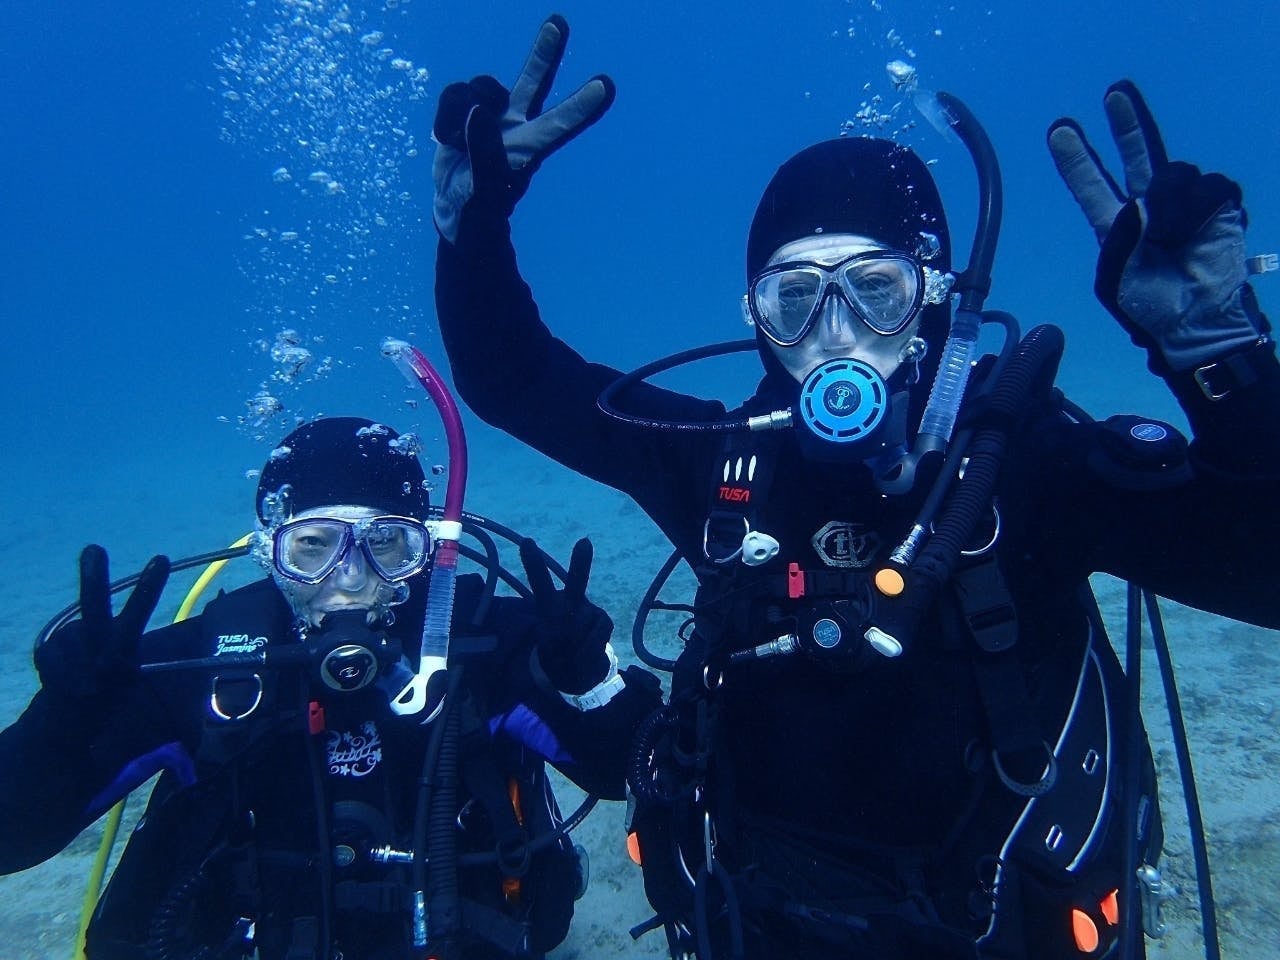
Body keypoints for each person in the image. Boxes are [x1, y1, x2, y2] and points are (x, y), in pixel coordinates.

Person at [429, 14, 1280, 960]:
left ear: (937, 300)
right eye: (795, 299)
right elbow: (513, 378)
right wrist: (474, 235)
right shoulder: (720, 466)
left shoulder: (1027, 466)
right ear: (758, 320)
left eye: (875, 290)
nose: (835, 335)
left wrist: (1218, 355)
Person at [0, 415, 661, 960]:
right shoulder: (202, 664)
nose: (349, 579)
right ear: (270, 551)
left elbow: (624, 774)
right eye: (312, 547)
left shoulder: (489, 644)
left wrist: (591, 683)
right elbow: (12, 837)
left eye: (386, 545)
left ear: (424, 551)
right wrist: (62, 725)